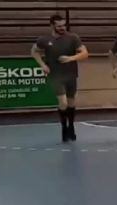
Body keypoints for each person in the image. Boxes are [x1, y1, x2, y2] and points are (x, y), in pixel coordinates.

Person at [32, 14, 88, 142]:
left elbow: (85, 53)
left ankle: (71, 126)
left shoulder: (73, 38)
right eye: (59, 26)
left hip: (71, 74)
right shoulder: (44, 40)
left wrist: (71, 58)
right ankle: (64, 128)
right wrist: (42, 64)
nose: (62, 28)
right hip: (56, 75)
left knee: (71, 102)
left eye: (64, 25)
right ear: (52, 26)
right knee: (63, 102)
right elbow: (34, 51)